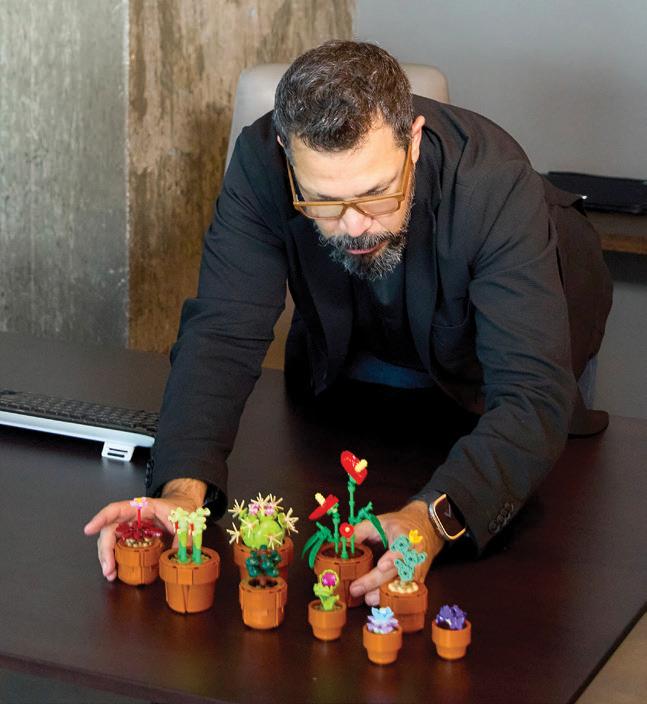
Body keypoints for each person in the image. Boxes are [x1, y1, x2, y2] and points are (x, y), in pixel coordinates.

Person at [85, 41, 612, 606]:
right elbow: (220, 334)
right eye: (324, 201)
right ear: (288, 155)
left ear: (413, 141)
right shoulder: (262, 161)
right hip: (357, 351)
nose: (356, 226)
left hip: (496, 361)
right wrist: (183, 494)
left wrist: (430, 520)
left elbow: (531, 394)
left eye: (376, 193)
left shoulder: (494, 182)